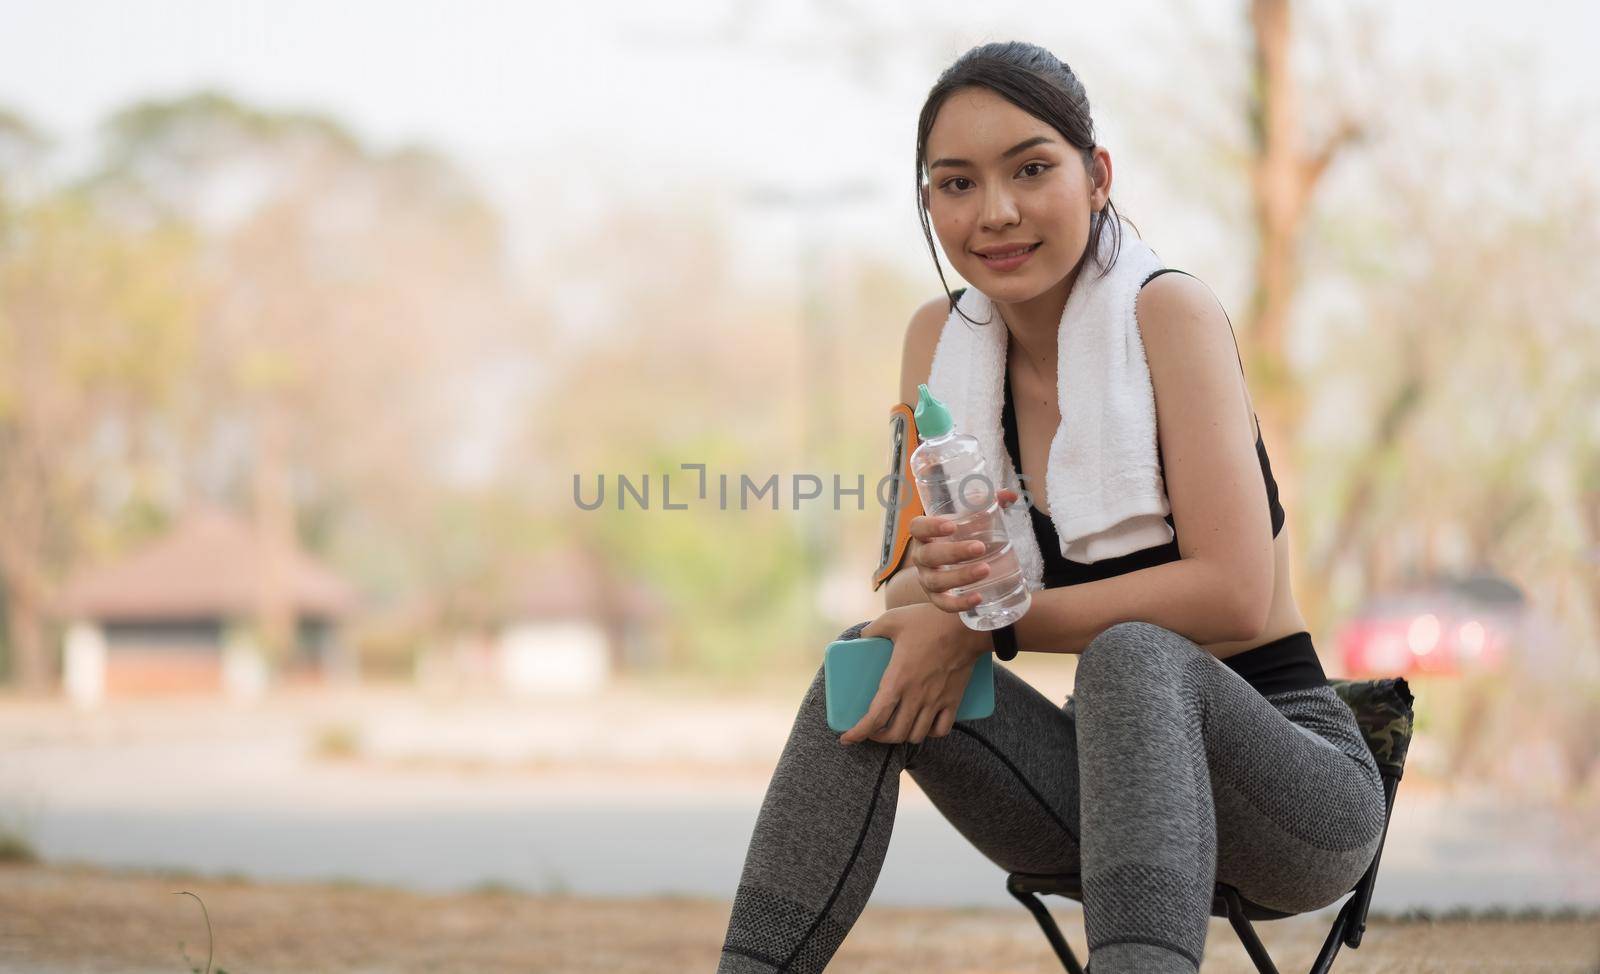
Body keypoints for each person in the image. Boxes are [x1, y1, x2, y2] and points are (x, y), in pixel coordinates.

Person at [716, 41, 1386, 974]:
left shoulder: (1170, 315)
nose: (994, 212)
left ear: (1096, 175)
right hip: (1102, 795)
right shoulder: (938, 341)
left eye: (1031, 169)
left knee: (1134, 656)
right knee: (868, 665)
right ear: (929, 202)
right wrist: (937, 595)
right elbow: (907, 585)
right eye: (955, 184)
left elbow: (1234, 593)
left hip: (1291, 798)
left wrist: (996, 624)